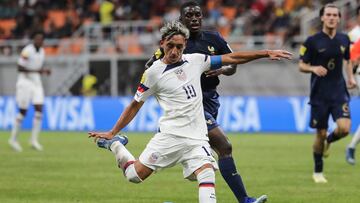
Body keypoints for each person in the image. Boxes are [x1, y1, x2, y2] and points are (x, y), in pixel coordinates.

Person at [88, 21, 291, 203]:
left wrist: (265, 53)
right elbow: (134, 104)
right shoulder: (152, 73)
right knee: (134, 175)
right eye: (170, 46)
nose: (174, 51)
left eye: (179, 46)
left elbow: (232, 57)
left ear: (185, 45)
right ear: (162, 44)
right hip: (170, 137)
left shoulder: (196, 60)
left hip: (197, 138)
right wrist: (112, 132)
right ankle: (116, 145)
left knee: (207, 173)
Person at [145, 2, 265, 202]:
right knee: (224, 146)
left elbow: (232, 64)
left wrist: (222, 69)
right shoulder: (176, 43)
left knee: (201, 159)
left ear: (202, 17)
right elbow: (152, 67)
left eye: (197, 15)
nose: (193, 18)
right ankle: (244, 199)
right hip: (189, 103)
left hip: (210, 100)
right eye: (189, 15)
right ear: (181, 19)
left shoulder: (214, 38)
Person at [299, 4, 357, 183]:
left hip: (339, 91)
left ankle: (330, 142)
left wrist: (351, 78)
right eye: (328, 15)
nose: (332, 18)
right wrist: (313, 68)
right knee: (320, 134)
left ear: (339, 18)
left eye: (335, 15)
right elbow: (301, 65)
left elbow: (347, 60)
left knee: (345, 129)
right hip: (319, 94)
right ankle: (318, 172)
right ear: (322, 18)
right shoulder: (312, 41)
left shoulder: (344, 39)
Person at [9, 31, 51, 152]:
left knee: (39, 110)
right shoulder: (27, 51)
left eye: (41, 39)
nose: (39, 41)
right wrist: (39, 71)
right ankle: (13, 139)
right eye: (37, 39)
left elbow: (37, 68)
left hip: (36, 82)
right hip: (25, 82)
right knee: (23, 112)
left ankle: (33, 140)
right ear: (33, 40)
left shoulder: (42, 51)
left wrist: (43, 71)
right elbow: (19, 68)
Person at [345, 5, 360, 165]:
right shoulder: (353, 34)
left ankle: (351, 146)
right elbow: (349, 58)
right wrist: (351, 77)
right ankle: (351, 146)